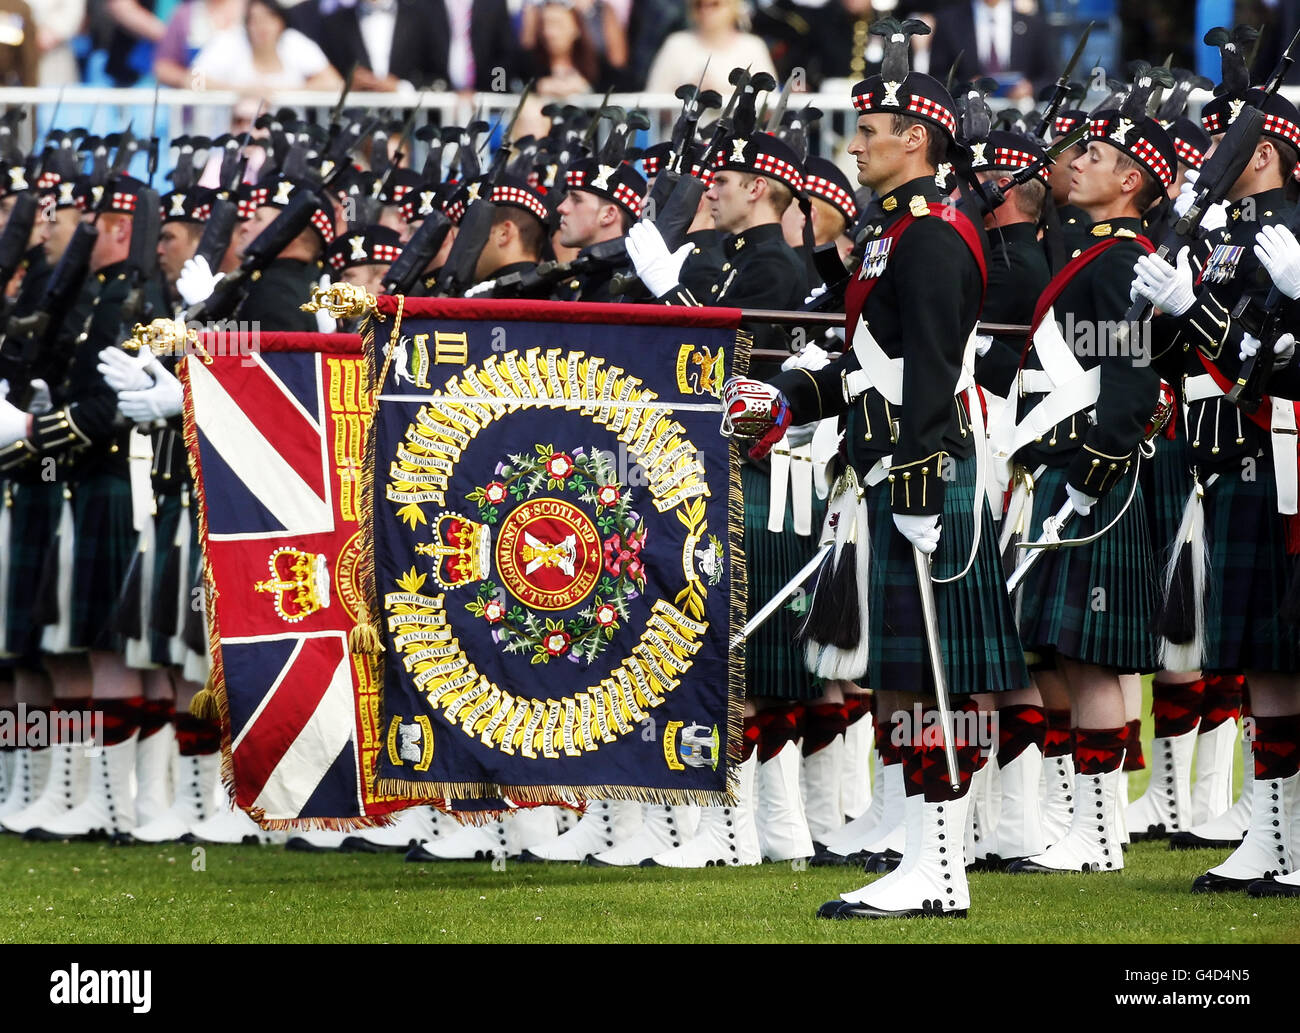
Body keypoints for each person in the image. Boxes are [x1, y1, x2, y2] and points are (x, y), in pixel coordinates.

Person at [722, 32, 1028, 916]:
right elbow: (867, 363)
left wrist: (926, 483)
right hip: (885, 466)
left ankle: (941, 866)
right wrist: (784, 395)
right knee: (898, 675)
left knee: (932, 677)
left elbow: (932, 365)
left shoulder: (931, 236)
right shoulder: (893, 234)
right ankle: (924, 856)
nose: (856, 143)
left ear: (918, 140)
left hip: (917, 473)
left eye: (873, 128)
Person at [1131, 58, 1300, 894]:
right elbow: (1192, 359)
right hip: (1227, 459)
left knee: (1281, 653)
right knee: (1258, 659)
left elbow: (1260, 364)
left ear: (1265, 149)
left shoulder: (1289, 232)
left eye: (1228, 139)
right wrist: (1164, 313)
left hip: (1280, 459)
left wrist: (1186, 307)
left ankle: (1288, 841)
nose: (1212, 151)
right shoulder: (1224, 236)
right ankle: (1268, 838)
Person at [190, 0, 342, 92]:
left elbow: (334, 82)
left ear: (281, 22)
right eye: (255, 19)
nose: (262, 27)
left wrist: (282, 93)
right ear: (247, 23)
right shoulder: (230, 42)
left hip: (286, 140)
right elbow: (194, 80)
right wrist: (239, 92)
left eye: (268, 18)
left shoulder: (293, 42)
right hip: (235, 138)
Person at [644, 0, 775, 97]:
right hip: (682, 133)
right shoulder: (676, 44)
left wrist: (721, 94)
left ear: (733, 6)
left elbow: (769, 101)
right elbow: (654, 100)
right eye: (699, 4)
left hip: (738, 133)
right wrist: (687, 93)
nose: (706, 10)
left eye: (715, 4)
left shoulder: (753, 46)